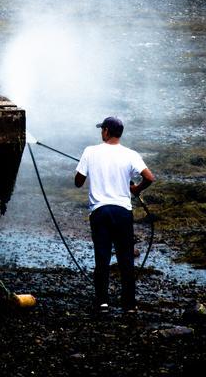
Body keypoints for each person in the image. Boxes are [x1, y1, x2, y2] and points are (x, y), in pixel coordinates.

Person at [74, 116, 155, 313]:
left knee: (102, 257)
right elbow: (149, 177)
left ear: (107, 131)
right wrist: (135, 189)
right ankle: (129, 304)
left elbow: (78, 182)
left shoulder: (90, 151)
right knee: (125, 258)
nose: (101, 132)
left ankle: (102, 302)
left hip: (100, 211)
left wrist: (87, 171)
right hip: (122, 212)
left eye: (102, 129)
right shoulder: (130, 154)